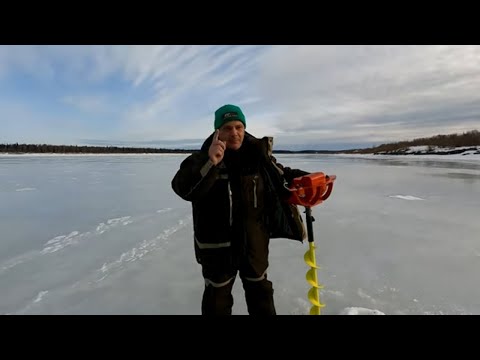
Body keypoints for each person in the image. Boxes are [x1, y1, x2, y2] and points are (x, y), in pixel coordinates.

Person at [171, 104, 310, 315]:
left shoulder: (258, 156)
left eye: (239, 127)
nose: (234, 133)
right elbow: (184, 189)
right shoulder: (200, 159)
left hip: (253, 244)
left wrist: (307, 179)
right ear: (217, 131)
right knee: (217, 302)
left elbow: (280, 174)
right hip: (217, 248)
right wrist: (211, 162)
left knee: (261, 297)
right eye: (227, 128)